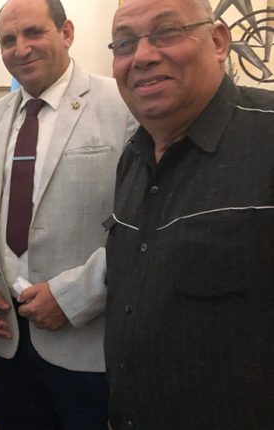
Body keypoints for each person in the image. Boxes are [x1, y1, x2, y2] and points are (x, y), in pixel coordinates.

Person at [0, 0, 136, 428]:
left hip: (89, 341)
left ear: (67, 33)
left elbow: (140, 226)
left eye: (33, 33)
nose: (20, 48)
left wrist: (74, 297)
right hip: (9, 340)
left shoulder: (123, 104)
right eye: (8, 40)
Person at [104, 0, 274, 428]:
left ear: (218, 41)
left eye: (166, 32)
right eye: (125, 43)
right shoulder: (134, 156)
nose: (142, 56)